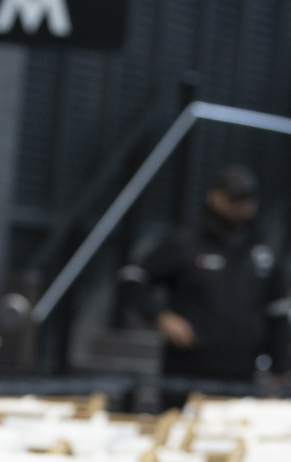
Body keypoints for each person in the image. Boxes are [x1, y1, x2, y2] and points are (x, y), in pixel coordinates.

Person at [118, 163, 291, 383]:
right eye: (234, 197)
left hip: (241, 375)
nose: (241, 205)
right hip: (187, 371)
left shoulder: (263, 249)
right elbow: (132, 278)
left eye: (247, 199)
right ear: (214, 196)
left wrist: (280, 366)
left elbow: (276, 310)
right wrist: (160, 316)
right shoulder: (185, 242)